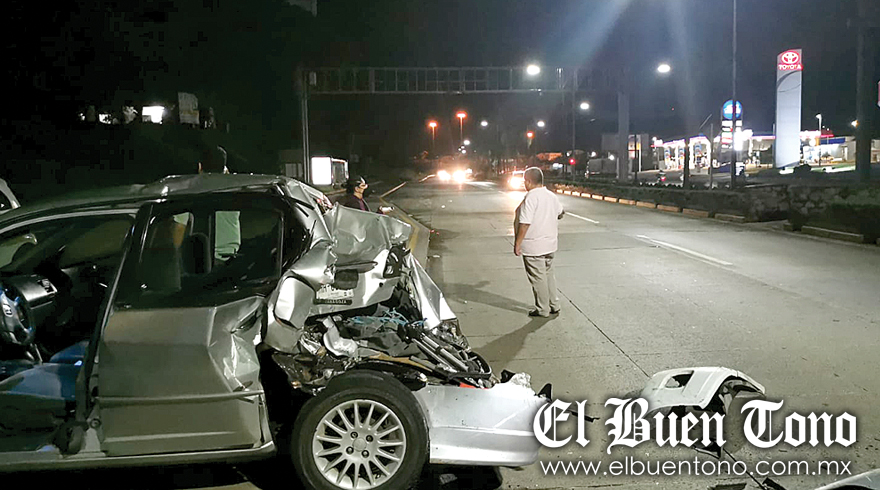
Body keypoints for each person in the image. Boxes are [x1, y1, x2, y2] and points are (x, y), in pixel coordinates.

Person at [513, 167, 564, 318]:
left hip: (534, 245)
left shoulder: (531, 197)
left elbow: (525, 223)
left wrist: (518, 243)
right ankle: (554, 304)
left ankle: (542, 309)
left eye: (525, 181)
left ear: (528, 181)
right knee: (548, 275)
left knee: (538, 278)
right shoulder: (551, 196)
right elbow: (561, 213)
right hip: (550, 244)